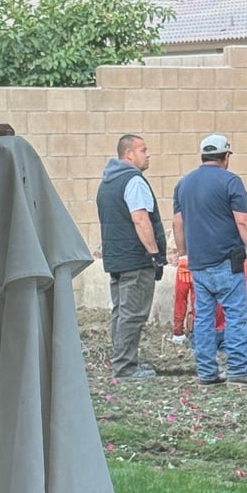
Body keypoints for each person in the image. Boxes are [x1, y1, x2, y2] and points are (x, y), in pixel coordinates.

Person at [172, 133, 247, 387]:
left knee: (203, 317)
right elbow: (243, 220)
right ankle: (238, 370)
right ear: (226, 157)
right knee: (235, 314)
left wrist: (183, 256)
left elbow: (177, 223)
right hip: (227, 260)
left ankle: (207, 373)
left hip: (198, 263)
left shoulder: (183, 184)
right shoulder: (231, 181)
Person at [96, 133, 166, 380]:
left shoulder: (107, 182)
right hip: (136, 259)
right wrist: (154, 254)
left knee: (121, 313)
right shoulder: (133, 181)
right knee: (133, 314)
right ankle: (125, 367)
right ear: (129, 154)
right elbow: (140, 219)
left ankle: (122, 361)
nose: (148, 155)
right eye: (143, 150)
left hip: (116, 259)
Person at [172, 255, 247, 346]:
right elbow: (180, 299)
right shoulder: (186, 266)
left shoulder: (188, 264)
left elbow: (180, 300)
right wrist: (178, 331)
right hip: (217, 329)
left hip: (221, 328)